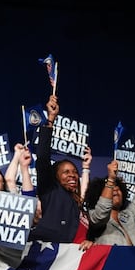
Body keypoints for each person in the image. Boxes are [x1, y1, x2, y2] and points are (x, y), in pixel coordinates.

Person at [29, 94, 92, 250]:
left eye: (74, 172)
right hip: (52, 259)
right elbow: (43, 158)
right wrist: (50, 120)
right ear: (55, 177)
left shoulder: (80, 204)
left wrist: (91, 241)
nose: (72, 174)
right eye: (65, 172)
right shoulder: (51, 190)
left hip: (74, 261)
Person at [82, 140, 135, 246]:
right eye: (111, 189)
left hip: (132, 262)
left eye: (118, 188)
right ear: (100, 195)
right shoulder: (94, 215)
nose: (115, 189)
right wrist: (111, 179)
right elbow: (101, 213)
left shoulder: (129, 216)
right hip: (110, 262)